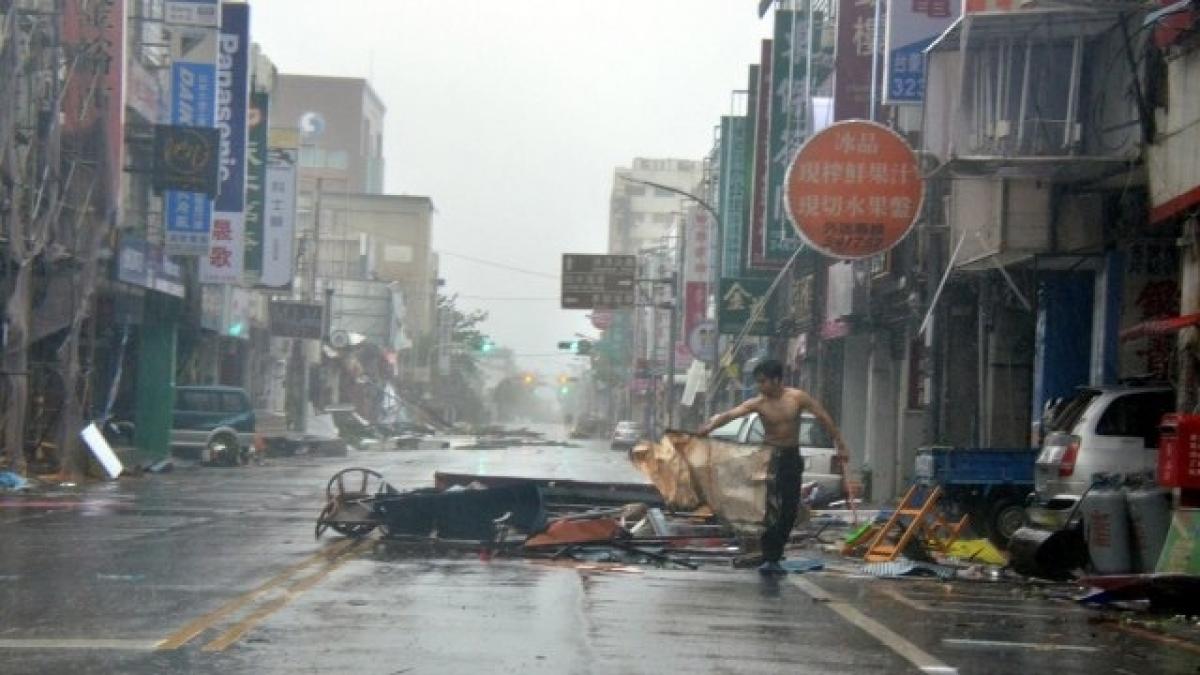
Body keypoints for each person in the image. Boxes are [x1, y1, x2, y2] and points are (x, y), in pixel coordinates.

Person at [696, 359, 849, 575]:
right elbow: (731, 414)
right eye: (758, 382)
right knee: (769, 510)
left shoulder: (797, 398)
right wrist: (709, 427)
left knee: (789, 508)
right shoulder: (759, 403)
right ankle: (770, 557)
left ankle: (776, 553)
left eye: (763, 381)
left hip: (791, 457)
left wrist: (840, 445)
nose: (760, 386)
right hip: (770, 458)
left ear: (777, 380)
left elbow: (823, 417)